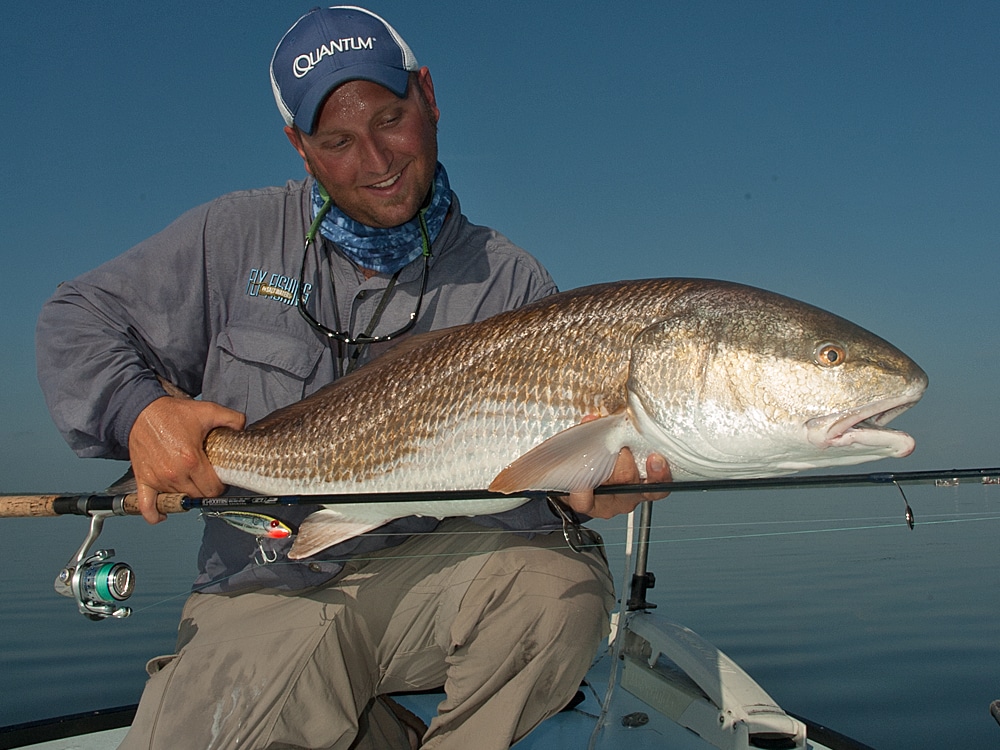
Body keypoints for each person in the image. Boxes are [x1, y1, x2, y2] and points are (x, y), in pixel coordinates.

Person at [36, 7, 670, 749]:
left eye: (392, 118)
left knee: (560, 587)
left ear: (428, 97)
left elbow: (538, 498)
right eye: (337, 141)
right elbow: (75, 319)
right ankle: (370, 727)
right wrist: (139, 411)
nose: (376, 160)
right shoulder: (231, 237)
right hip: (263, 586)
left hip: (434, 586)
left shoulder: (511, 279)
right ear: (300, 148)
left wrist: (591, 490)